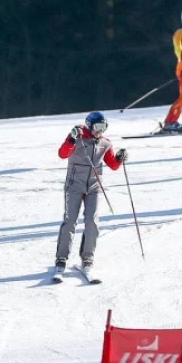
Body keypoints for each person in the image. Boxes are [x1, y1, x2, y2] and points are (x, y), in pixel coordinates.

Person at [53, 112, 127, 281]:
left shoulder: (105, 143)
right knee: (70, 221)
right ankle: (61, 261)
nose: (100, 131)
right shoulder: (77, 136)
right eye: (97, 127)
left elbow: (113, 165)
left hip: (94, 187)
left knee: (92, 222)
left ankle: (87, 261)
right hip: (74, 186)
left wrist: (120, 158)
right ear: (89, 125)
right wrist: (71, 139)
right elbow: (63, 154)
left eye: (104, 128)